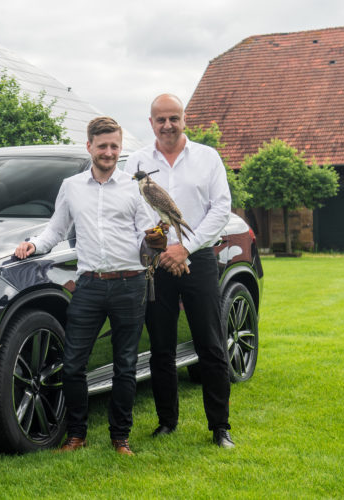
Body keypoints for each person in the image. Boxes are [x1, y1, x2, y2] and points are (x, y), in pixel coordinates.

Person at [14, 116, 158, 456]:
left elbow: (147, 232)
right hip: (90, 285)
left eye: (114, 146)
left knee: (125, 365)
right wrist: (33, 244)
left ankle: (120, 438)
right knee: (73, 364)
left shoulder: (134, 188)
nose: (109, 152)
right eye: (102, 146)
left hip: (130, 284)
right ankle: (76, 436)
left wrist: (156, 241)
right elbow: (56, 230)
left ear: (120, 148)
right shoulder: (71, 187)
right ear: (89, 146)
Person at [123, 93, 236, 448]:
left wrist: (185, 247)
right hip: (156, 262)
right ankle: (166, 422)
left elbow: (221, 209)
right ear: (151, 123)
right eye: (161, 119)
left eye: (174, 118)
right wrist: (158, 247)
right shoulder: (136, 161)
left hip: (197, 258)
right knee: (160, 347)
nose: (168, 125)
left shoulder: (207, 157)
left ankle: (220, 427)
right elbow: (126, 209)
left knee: (211, 344)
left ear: (184, 119)